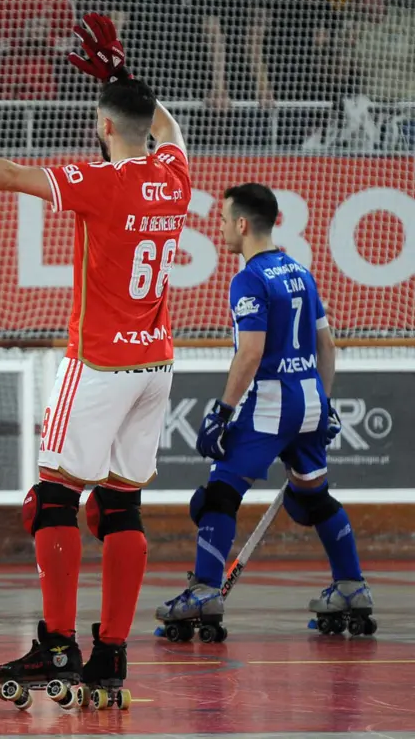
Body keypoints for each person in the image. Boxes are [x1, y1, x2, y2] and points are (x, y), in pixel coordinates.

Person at [0, 14, 189, 706]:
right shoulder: (173, 175)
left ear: (103, 128)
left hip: (100, 363)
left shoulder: (101, 181)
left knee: (51, 500)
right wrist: (122, 76)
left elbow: (13, 174)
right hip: (156, 366)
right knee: (122, 507)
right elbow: (169, 129)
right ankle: (111, 656)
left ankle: (55, 644)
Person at [157, 184, 375, 638]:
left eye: (223, 220)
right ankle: (351, 586)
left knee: (219, 494)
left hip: (273, 404)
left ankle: (204, 592)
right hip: (310, 399)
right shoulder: (300, 272)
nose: (219, 228)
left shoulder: (249, 279)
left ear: (242, 224)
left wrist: (222, 411)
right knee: (313, 496)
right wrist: (324, 404)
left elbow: (251, 352)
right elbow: (326, 346)